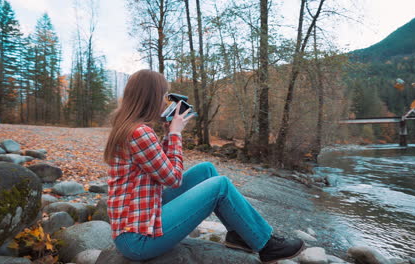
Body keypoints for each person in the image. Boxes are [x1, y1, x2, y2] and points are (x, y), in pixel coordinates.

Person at [103, 69, 304, 263]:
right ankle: (267, 246)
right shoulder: (140, 133)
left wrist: (167, 134)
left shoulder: (131, 128)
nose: (165, 102)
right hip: (139, 239)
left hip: (142, 219)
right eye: (163, 96)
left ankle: (238, 234)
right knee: (220, 186)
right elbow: (173, 179)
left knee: (206, 170)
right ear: (151, 97)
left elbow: (158, 167)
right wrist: (175, 134)